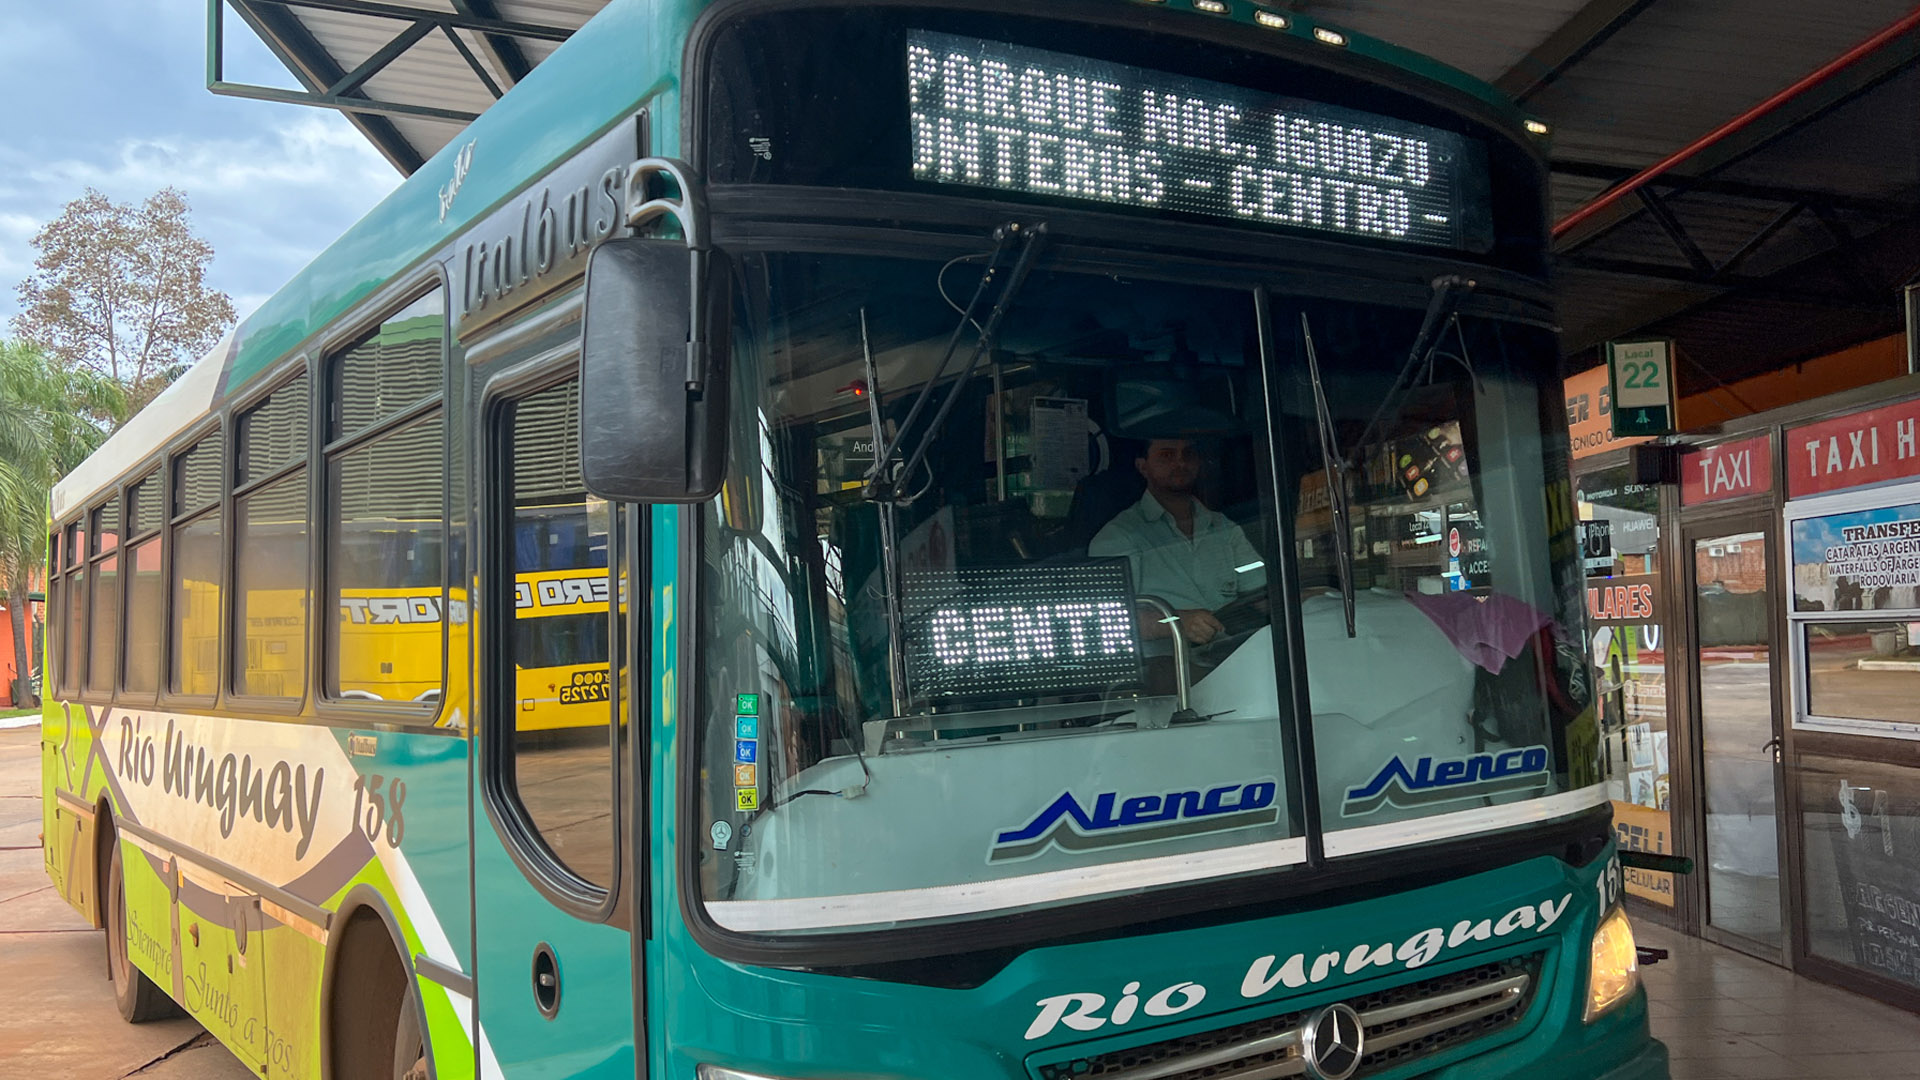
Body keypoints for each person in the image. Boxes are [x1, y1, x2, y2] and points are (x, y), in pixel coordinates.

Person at [1090, 438, 1267, 646]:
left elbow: (1262, 596)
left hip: (1230, 655)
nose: (1180, 463)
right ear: (1143, 466)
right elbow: (1105, 618)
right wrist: (1176, 622)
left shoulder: (1224, 528)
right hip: (1163, 667)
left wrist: (1310, 600)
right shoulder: (1118, 536)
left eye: (1188, 454)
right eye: (1167, 455)